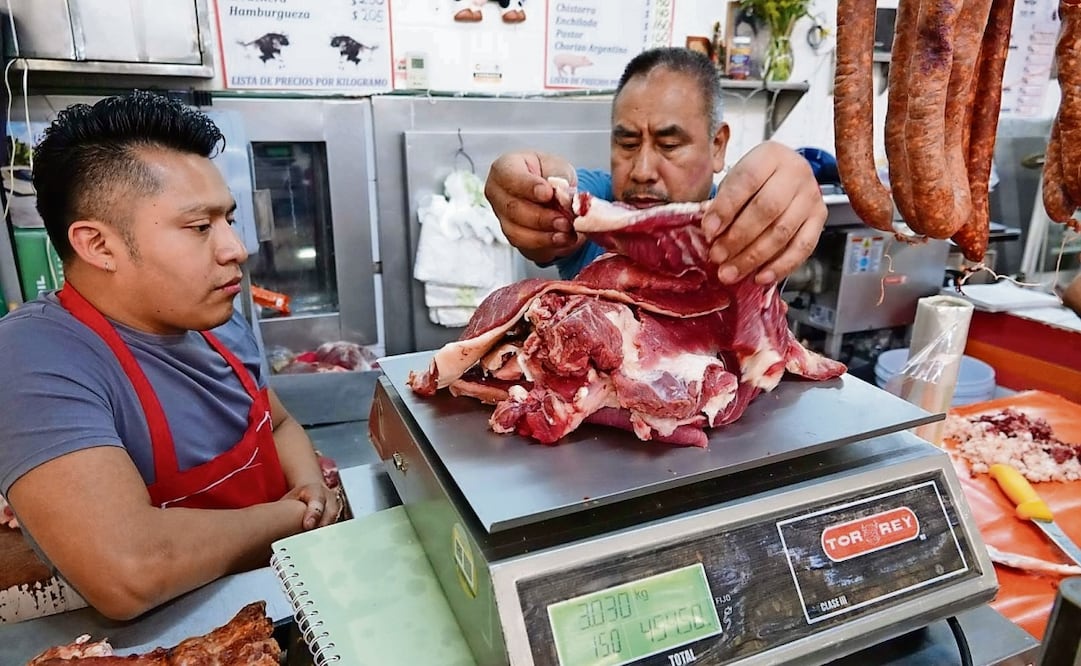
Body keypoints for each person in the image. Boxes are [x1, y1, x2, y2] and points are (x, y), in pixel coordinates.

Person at [0, 92, 341, 620]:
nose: (236, 249)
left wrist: (309, 493)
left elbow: (278, 424)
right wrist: (297, 517)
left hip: (290, 599)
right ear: (98, 245)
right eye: (199, 227)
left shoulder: (214, 318)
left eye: (227, 219)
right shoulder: (34, 357)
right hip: (186, 638)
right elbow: (131, 570)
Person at [485, 47, 826, 284]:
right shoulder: (599, 203)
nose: (642, 170)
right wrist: (539, 192)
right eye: (627, 143)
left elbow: (774, 207)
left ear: (717, 145)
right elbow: (562, 186)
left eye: (669, 144)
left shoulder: (738, 220)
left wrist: (791, 182)